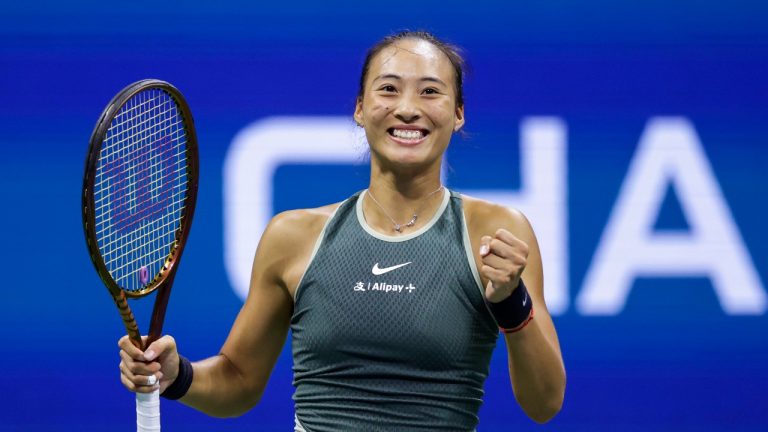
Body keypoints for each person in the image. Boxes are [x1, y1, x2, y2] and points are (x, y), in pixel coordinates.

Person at [119, 30, 566, 431]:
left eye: (430, 92)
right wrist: (178, 375)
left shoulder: (495, 232)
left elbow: (544, 403)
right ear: (359, 108)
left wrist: (512, 303)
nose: (408, 109)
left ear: (458, 113)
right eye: (388, 89)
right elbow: (239, 380)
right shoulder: (293, 236)